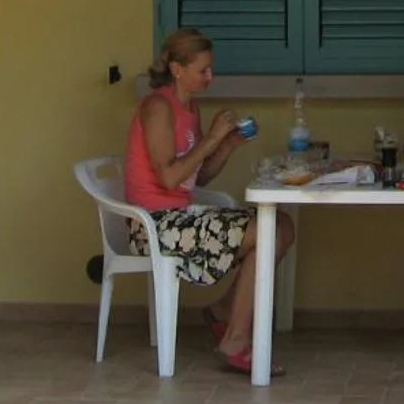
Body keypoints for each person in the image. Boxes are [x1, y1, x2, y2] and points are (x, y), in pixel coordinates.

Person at [123, 27, 294, 374]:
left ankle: (224, 311)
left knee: (282, 225)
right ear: (177, 69)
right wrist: (212, 138)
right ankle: (235, 339)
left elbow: (196, 177)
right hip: (155, 225)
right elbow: (168, 177)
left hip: (182, 215)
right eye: (203, 70)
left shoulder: (190, 108)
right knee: (268, 232)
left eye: (210, 69)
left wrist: (227, 144)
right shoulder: (158, 107)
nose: (210, 77)